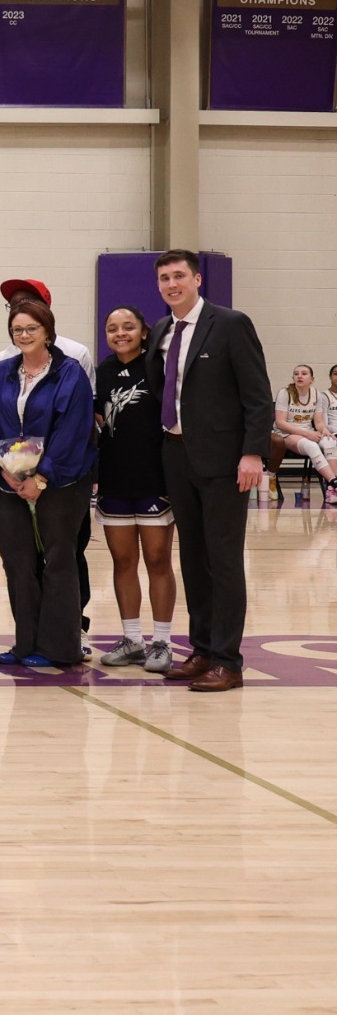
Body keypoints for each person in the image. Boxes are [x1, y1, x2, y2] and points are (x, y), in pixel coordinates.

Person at [146, 249, 271, 693]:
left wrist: (253, 453)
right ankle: (200, 651)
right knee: (193, 559)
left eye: (179, 275)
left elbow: (258, 395)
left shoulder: (231, 324)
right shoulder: (161, 329)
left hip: (224, 462)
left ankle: (227, 660)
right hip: (177, 454)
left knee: (223, 560)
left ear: (198, 280)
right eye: (164, 278)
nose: (171, 284)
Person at [0, 298, 95, 669]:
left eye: (32, 328)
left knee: (58, 561)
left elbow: (73, 430)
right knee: (17, 562)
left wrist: (42, 476)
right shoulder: (2, 371)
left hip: (61, 484)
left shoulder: (70, 373)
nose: (24, 335)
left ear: (48, 331)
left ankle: (60, 647)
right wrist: (2, 469)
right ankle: (25, 644)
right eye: (17, 329)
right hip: (11, 483)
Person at [95, 306, 179, 673]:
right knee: (123, 562)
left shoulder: (157, 367)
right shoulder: (102, 371)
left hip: (154, 480)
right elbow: (97, 417)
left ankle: (162, 641)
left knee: (158, 560)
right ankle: (132, 639)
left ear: (144, 332)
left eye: (128, 327)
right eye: (112, 328)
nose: (120, 333)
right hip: (114, 478)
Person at [274, 364, 337, 505]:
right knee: (311, 446)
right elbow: (280, 423)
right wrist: (307, 434)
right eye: (296, 374)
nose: (299, 376)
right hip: (287, 433)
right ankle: (334, 482)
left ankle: (331, 490)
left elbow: (319, 422)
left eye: (304, 373)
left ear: (312, 379)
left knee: (330, 442)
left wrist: (324, 431)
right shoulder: (285, 393)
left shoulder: (316, 394)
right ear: (293, 378)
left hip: (308, 432)